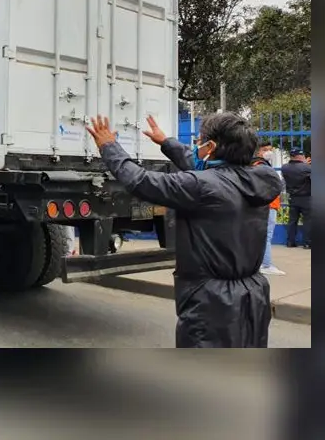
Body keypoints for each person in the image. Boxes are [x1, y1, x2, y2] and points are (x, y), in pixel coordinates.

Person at [90, 113, 282, 348]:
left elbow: (140, 181)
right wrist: (166, 142)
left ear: (210, 147)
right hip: (254, 295)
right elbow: (202, 166)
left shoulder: (201, 186)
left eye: (200, 141)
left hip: (212, 302)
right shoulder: (263, 179)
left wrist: (109, 146)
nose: (196, 146)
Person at [257, 142, 286, 275]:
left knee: (263, 235)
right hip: (268, 205)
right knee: (266, 235)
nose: (269, 152)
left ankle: (262, 263)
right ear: (258, 152)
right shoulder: (261, 167)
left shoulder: (262, 166)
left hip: (267, 204)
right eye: (265, 150)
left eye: (270, 149)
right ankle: (266, 264)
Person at [281, 148, 312, 249]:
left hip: (292, 198)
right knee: (308, 220)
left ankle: (290, 242)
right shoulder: (306, 168)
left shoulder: (284, 167)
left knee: (292, 220)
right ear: (299, 156)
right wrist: (306, 165)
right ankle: (307, 243)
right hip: (306, 197)